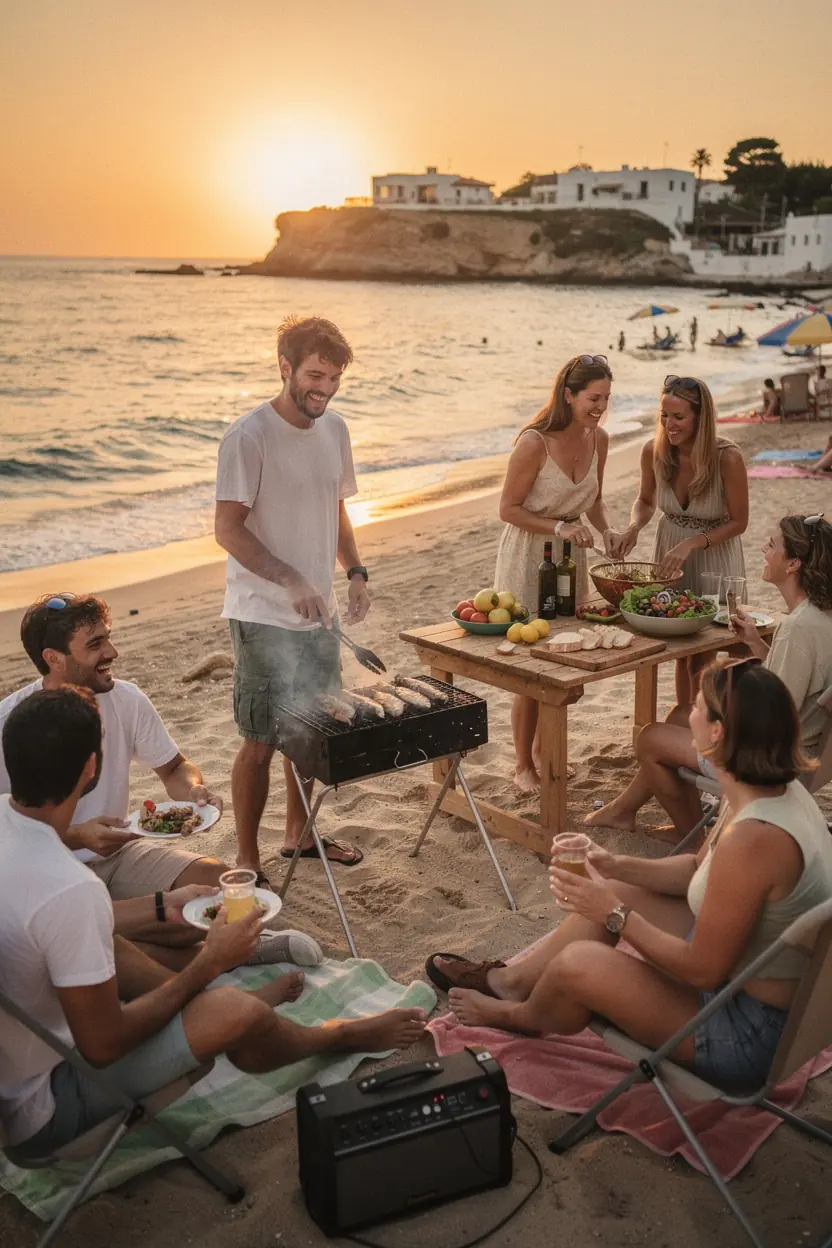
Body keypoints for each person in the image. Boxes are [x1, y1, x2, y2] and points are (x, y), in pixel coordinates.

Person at [0, 687, 426, 1161]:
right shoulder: (69, 889)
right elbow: (104, 1044)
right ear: (88, 769)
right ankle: (336, 1036)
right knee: (232, 1014)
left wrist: (169, 904)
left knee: (111, 943)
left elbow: (66, 924)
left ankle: (228, 1001)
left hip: (18, 1059)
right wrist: (210, 963)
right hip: (44, 1111)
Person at [427, 662, 832, 1091]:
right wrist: (613, 866)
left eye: (696, 707)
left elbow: (702, 972)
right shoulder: (773, 792)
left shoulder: (755, 840)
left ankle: (521, 1017)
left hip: (746, 1034)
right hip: (778, 1000)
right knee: (620, 889)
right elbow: (698, 867)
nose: (687, 713)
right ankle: (512, 984)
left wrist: (614, 914)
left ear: (718, 732)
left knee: (578, 963)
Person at [215, 316, 370, 879]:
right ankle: (248, 860)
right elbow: (228, 530)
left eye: (334, 379)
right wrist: (291, 580)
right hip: (261, 615)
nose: (324, 390)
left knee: (310, 731)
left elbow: (337, 508)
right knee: (260, 740)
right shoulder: (248, 436)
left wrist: (355, 571)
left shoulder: (337, 431)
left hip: (320, 613)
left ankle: (300, 836)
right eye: (314, 375)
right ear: (285, 366)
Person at [587, 513, 832, 840]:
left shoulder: (797, 629)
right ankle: (626, 812)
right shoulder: (819, 616)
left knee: (650, 738)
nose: (763, 549)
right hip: (800, 748)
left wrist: (721, 704)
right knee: (678, 716)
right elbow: (791, 684)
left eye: (772, 545)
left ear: (793, 565)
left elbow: (771, 716)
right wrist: (756, 645)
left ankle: (694, 843)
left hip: (771, 761)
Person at [494, 355, 617, 793]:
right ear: (568, 394)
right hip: (530, 554)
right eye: (593, 398)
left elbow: (594, 500)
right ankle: (523, 764)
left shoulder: (600, 439)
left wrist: (608, 531)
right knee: (531, 668)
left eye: (606, 397)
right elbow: (507, 509)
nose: (601, 406)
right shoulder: (534, 443)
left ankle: (547, 753)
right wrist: (560, 527)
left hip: (572, 557)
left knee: (565, 657)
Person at [606, 375, 748, 705]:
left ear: (701, 417)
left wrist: (693, 542)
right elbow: (644, 501)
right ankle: (687, 718)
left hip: (715, 553)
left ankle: (725, 724)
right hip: (669, 550)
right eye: (664, 416)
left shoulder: (728, 458)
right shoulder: (652, 451)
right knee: (684, 651)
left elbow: (740, 522)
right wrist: (633, 528)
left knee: (725, 642)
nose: (669, 425)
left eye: (678, 417)